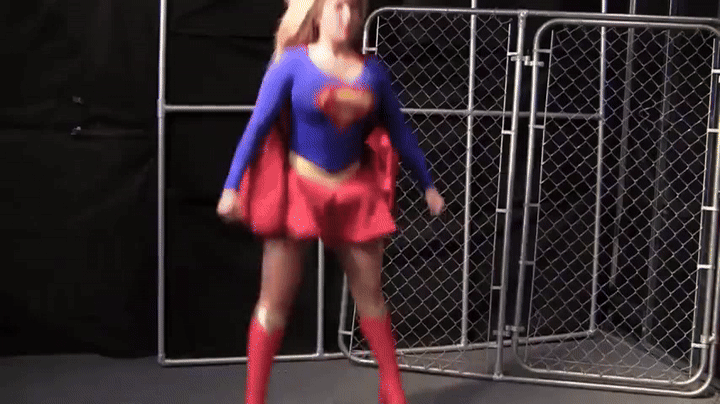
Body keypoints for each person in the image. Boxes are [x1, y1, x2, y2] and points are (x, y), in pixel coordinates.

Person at [217, 0, 445, 403]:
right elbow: (258, 126)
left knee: (371, 296)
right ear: (317, 12)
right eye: (338, 6)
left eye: (354, 8)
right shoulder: (292, 64)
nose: (347, 17)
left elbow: (400, 131)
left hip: (353, 191)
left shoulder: (373, 72)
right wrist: (231, 187)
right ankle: (254, 399)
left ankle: (393, 391)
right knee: (273, 302)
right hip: (300, 189)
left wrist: (427, 184)